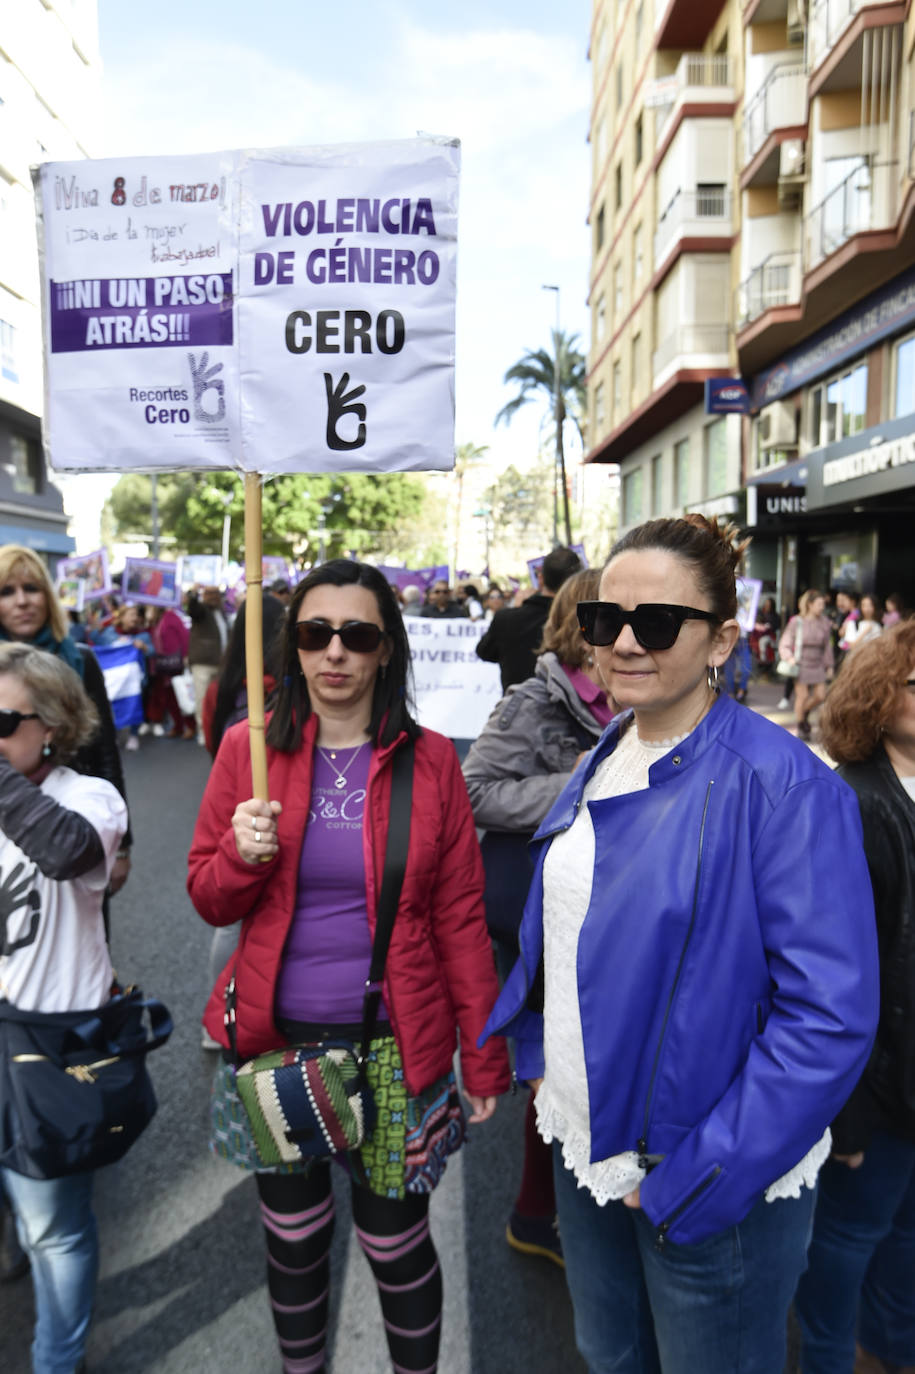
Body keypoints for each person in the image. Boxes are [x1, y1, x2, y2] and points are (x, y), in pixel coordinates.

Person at [481, 514, 879, 1374]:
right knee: (610, 1351)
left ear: (720, 640)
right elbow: (568, 924)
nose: (622, 641)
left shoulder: (785, 786)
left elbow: (828, 1019)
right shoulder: (611, 749)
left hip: (707, 1172)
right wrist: (537, 1054)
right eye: (601, 619)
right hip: (583, 1137)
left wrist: (696, 1176)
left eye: (654, 622)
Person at [187, 558, 509, 1374]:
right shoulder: (247, 750)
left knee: (394, 1244)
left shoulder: (430, 761)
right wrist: (239, 854)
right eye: (314, 632)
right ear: (292, 647)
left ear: (385, 651)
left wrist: (483, 1051)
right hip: (275, 1044)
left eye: (356, 634)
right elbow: (209, 898)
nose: (334, 652)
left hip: (394, 1046)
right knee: (294, 1244)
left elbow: (460, 919)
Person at [463, 567, 614, 1267]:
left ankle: (565, 1205)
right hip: (550, 916)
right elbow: (475, 793)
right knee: (555, 1066)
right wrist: (577, 784)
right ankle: (539, 1212)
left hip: (621, 915)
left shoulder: (648, 695)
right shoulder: (534, 702)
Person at [0, 641, 128, 1373]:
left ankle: (56, 1359)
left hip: (51, 1044)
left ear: (48, 723)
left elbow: (67, 855)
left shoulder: (90, 800)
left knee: (55, 1226)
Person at [795, 622, 915, 1374]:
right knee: (847, 1240)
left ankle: (891, 1352)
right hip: (875, 1085)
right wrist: (847, 1113)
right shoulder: (854, 801)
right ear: (876, 697)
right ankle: (829, 1360)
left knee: (903, 1236)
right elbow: (830, 977)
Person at [0, 547, 130, 895]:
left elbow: (106, 754)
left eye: (32, 588)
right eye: (7, 591)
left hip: (73, 828)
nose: (22, 601)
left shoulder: (81, 661)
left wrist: (121, 846)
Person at [198, 593, 287, 1050]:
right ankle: (230, 1009)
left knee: (230, 921)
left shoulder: (220, 685)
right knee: (245, 909)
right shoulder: (277, 686)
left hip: (226, 791)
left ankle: (221, 1012)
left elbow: (210, 737)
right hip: (266, 796)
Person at [476, 546, 582, 690]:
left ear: (540, 579)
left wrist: (515, 611)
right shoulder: (580, 622)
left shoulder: (507, 618)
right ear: (577, 583)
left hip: (517, 707)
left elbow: (486, 652)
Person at [778, 589, 834, 739]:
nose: (822, 607)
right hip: (801, 663)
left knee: (820, 696)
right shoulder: (797, 621)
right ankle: (801, 724)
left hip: (818, 663)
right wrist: (789, 658)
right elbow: (785, 642)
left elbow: (827, 646)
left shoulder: (825, 622)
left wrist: (830, 666)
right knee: (802, 696)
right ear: (809, 604)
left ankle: (803, 713)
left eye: (823, 604)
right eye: (819, 604)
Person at [186, 586, 230, 742]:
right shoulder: (201, 611)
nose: (213, 597)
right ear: (203, 595)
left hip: (220, 663)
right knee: (202, 699)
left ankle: (214, 730)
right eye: (209, 593)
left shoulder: (221, 612)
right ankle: (203, 731)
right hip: (203, 663)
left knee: (216, 700)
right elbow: (192, 608)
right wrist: (192, 594)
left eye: (215, 594)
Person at [146, 602, 195, 739]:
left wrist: (185, 656)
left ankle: (190, 725)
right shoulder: (157, 621)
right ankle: (178, 725)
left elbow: (184, 637)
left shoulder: (171, 617)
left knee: (182, 694)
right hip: (163, 664)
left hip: (175, 662)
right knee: (170, 697)